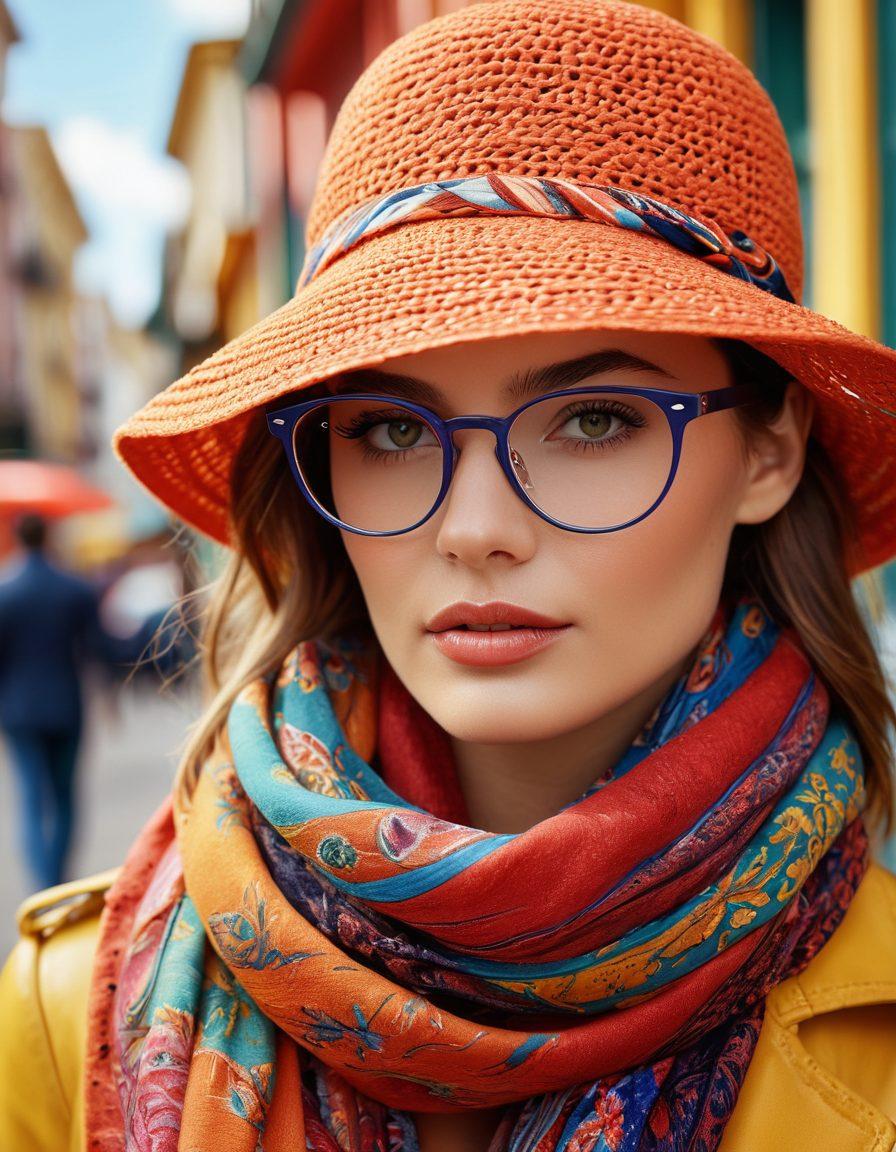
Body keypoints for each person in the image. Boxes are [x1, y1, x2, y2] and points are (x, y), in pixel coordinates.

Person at [2, 1, 896, 1148]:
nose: (475, 530)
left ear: (767, 451)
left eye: (591, 419)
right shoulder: (69, 1010)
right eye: (387, 429)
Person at [0, 512, 113, 891]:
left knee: (31, 797)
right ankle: (58, 878)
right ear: (47, 536)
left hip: (16, 709)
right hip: (66, 704)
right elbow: (101, 649)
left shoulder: (5, 591)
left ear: (17, 538)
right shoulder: (75, 588)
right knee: (65, 796)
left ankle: (44, 885)